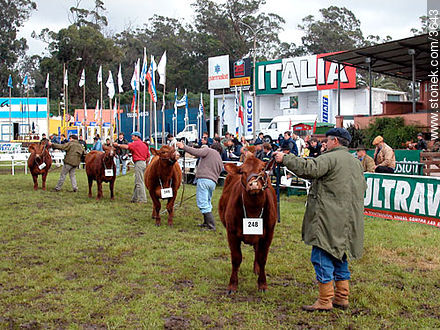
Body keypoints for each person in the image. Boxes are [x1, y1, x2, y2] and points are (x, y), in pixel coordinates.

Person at [274, 127, 366, 312]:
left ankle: (325, 300)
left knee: (321, 255)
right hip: (348, 219)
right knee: (340, 256)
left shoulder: (329, 158)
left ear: (336, 142)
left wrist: (285, 159)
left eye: (327, 141)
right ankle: (342, 297)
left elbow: (309, 169)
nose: (325, 144)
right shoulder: (355, 162)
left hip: (328, 217)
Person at [176, 140, 223, 230]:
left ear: (212, 147)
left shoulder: (209, 150)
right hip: (212, 182)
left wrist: (184, 147)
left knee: (202, 202)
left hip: (204, 180)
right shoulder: (219, 159)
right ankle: (206, 223)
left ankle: (210, 225)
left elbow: (197, 152)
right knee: (207, 202)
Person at [114, 132, 150, 203]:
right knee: (138, 180)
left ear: (137, 137)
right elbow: (148, 157)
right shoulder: (144, 145)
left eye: (133, 136)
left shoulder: (136, 143)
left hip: (138, 163)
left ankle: (143, 199)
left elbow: (127, 147)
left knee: (139, 182)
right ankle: (135, 198)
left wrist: (117, 145)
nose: (132, 137)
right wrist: (146, 163)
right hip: (143, 163)